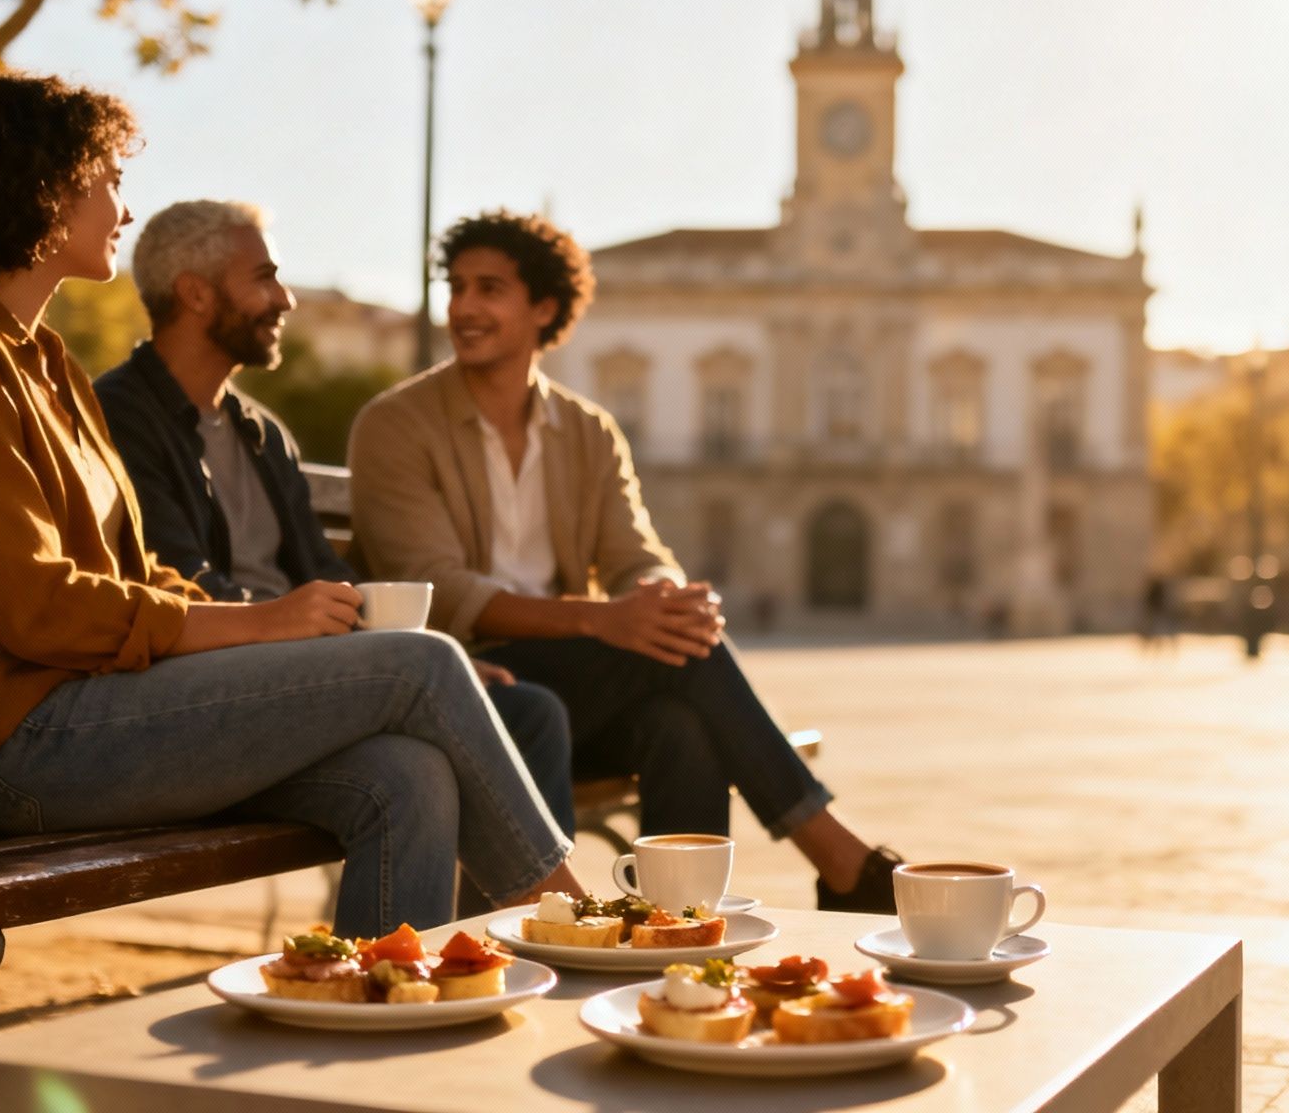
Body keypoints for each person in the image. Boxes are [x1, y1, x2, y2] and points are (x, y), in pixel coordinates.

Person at [0, 75, 584, 938]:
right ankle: (574, 921)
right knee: (418, 663)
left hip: (87, 710)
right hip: (14, 743)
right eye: (109, 177)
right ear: (44, 188)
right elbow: (35, 605)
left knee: (404, 773)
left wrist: (262, 619)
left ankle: (376, 1017)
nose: (123, 209)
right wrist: (260, 625)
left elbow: (125, 574)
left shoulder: (45, 361)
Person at [349, 210, 900, 913]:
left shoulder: (587, 431)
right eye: (456, 288)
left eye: (490, 289)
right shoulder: (398, 425)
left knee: (684, 717)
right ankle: (832, 859)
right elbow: (439, 588)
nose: (464, 307)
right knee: (680, 666)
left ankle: (673, 929)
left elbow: (637, 554)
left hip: (571, 683)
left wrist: (662, 597)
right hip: (465, 677)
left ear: (544, 307)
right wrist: (606, 620)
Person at [92, 200, 574, 836]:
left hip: (302, 677)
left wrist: (426, 661)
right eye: (264, 277)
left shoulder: (262, 433)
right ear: (196, 294)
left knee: (512, 718)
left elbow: (323, 572)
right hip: (210, 693)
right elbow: (180, 582)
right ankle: (558, 912)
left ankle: (484, 934)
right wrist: (403, 663)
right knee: (424, 756)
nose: (285, 298)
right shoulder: (118, 417)